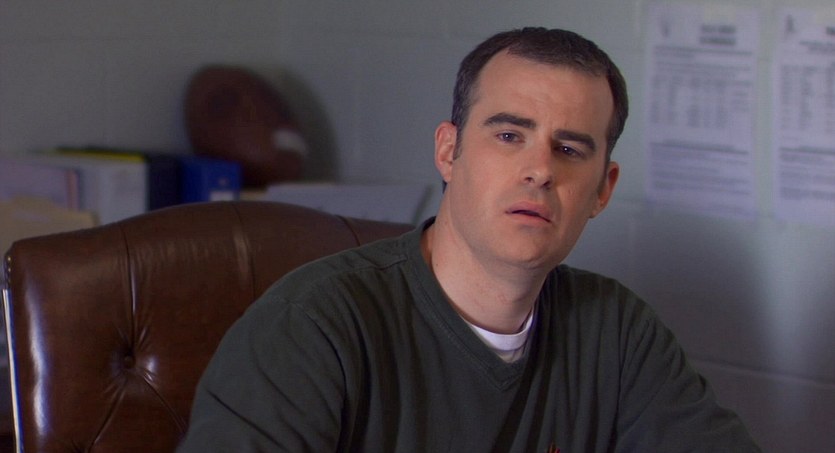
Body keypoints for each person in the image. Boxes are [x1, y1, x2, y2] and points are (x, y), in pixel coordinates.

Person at [178, 27, 760, 452]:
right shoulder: (313, 326)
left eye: (569, 149)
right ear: (448, 151)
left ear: (602, 191)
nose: (540, 170)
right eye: (509, 135)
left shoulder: (618, 333)